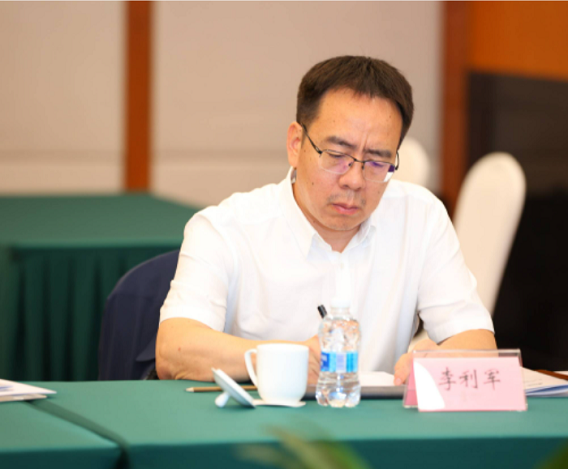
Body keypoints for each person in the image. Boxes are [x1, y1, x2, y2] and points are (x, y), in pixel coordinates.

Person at [156, 55, 496, 385]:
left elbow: (478, 341)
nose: (354, 180)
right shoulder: (225, 229)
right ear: (295, 144)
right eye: (336, 155)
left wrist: (442, 360)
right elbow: (174, 349)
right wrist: (280, 360)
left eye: (377, 162)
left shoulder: (420, 217)